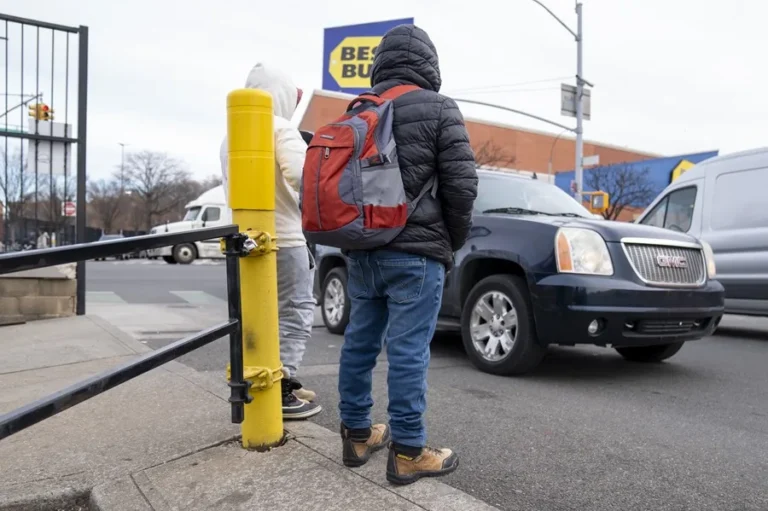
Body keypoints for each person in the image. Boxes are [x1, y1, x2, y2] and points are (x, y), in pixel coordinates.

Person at [337, 24, 478, 484]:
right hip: (416, 254)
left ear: (381, 64)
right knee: (409, 352)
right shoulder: (440, 109)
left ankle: (357, 434)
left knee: (359, 343)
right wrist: (449, 243)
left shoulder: (359, 111)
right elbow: (461, 186)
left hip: (362, 253)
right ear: (429, 65)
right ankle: (410, 452)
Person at [219, 63, 321, 420]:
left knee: (257, 318)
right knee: (295, 312)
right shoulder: (282, 130)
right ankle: (282, 383)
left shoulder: (229, 136)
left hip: (245, 241)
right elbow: (302, 177)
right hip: (287, 239)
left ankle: (260, 382)